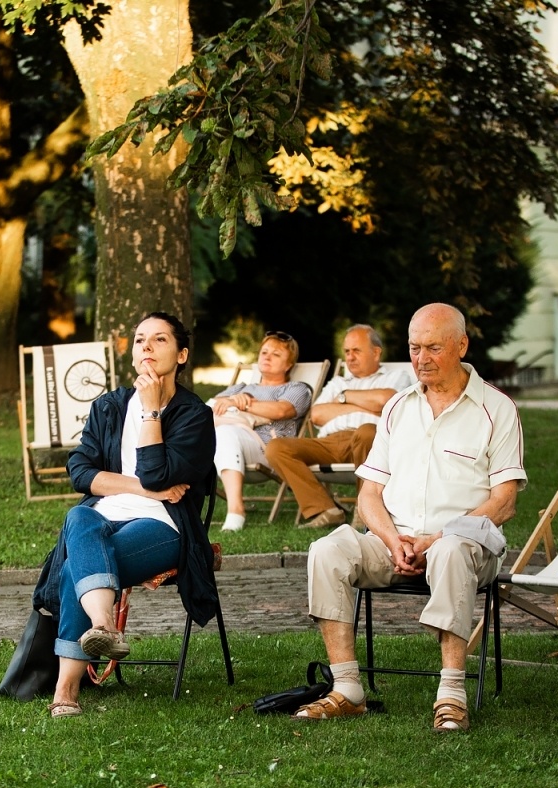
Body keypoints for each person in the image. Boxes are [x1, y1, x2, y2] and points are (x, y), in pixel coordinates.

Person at [293, 303, 525, 731]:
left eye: (433, 348)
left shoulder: (496, 408)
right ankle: (347, 689)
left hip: (464, 543)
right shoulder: (398, 407)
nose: (421, 358)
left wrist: (436, 538)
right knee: (327, 550)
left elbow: (504, 502)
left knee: (451, 551)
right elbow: (369, 493)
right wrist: (392, 539)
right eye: (415, 348)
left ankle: (451, 695)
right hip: (393, 542)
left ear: (461, 346)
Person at [31, 311, 216, 719]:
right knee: (78, 517)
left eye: (159, 339)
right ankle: (104, 627)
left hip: (165, 525)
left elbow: (156, 473)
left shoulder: (194, 415)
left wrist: (151, 412)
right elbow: (80, 472)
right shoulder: (110, 406)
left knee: (73, 569)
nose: (146, 346)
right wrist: (140, 488)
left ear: (181, 355)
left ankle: (66, 689)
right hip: (104, 516)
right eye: (139, 339)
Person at [265, 324, 412, 528]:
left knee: (367, 431)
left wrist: (344, 397)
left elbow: (385, 401)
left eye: (356, 350)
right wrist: (368, 406)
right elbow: (317, 414)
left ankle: (365, 509)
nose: (350, 357)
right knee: (277, 447)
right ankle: (326, 509)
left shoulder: (397, 377)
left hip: (370, 441)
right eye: (347, 351)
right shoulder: (337, 382)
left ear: (376, 352)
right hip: (330, 442)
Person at [209, 330, 314, 531]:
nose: (267, 357)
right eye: (264, 352)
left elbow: (282, 410)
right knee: (216, 434)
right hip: (227, 446)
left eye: (276, 354)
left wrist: (244, 404)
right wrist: (234, 399)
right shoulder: (240, 388)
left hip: (269, 451)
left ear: (289, 364)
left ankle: (236, 510)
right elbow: (210, 407)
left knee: (224, 433)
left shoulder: (296, 389)